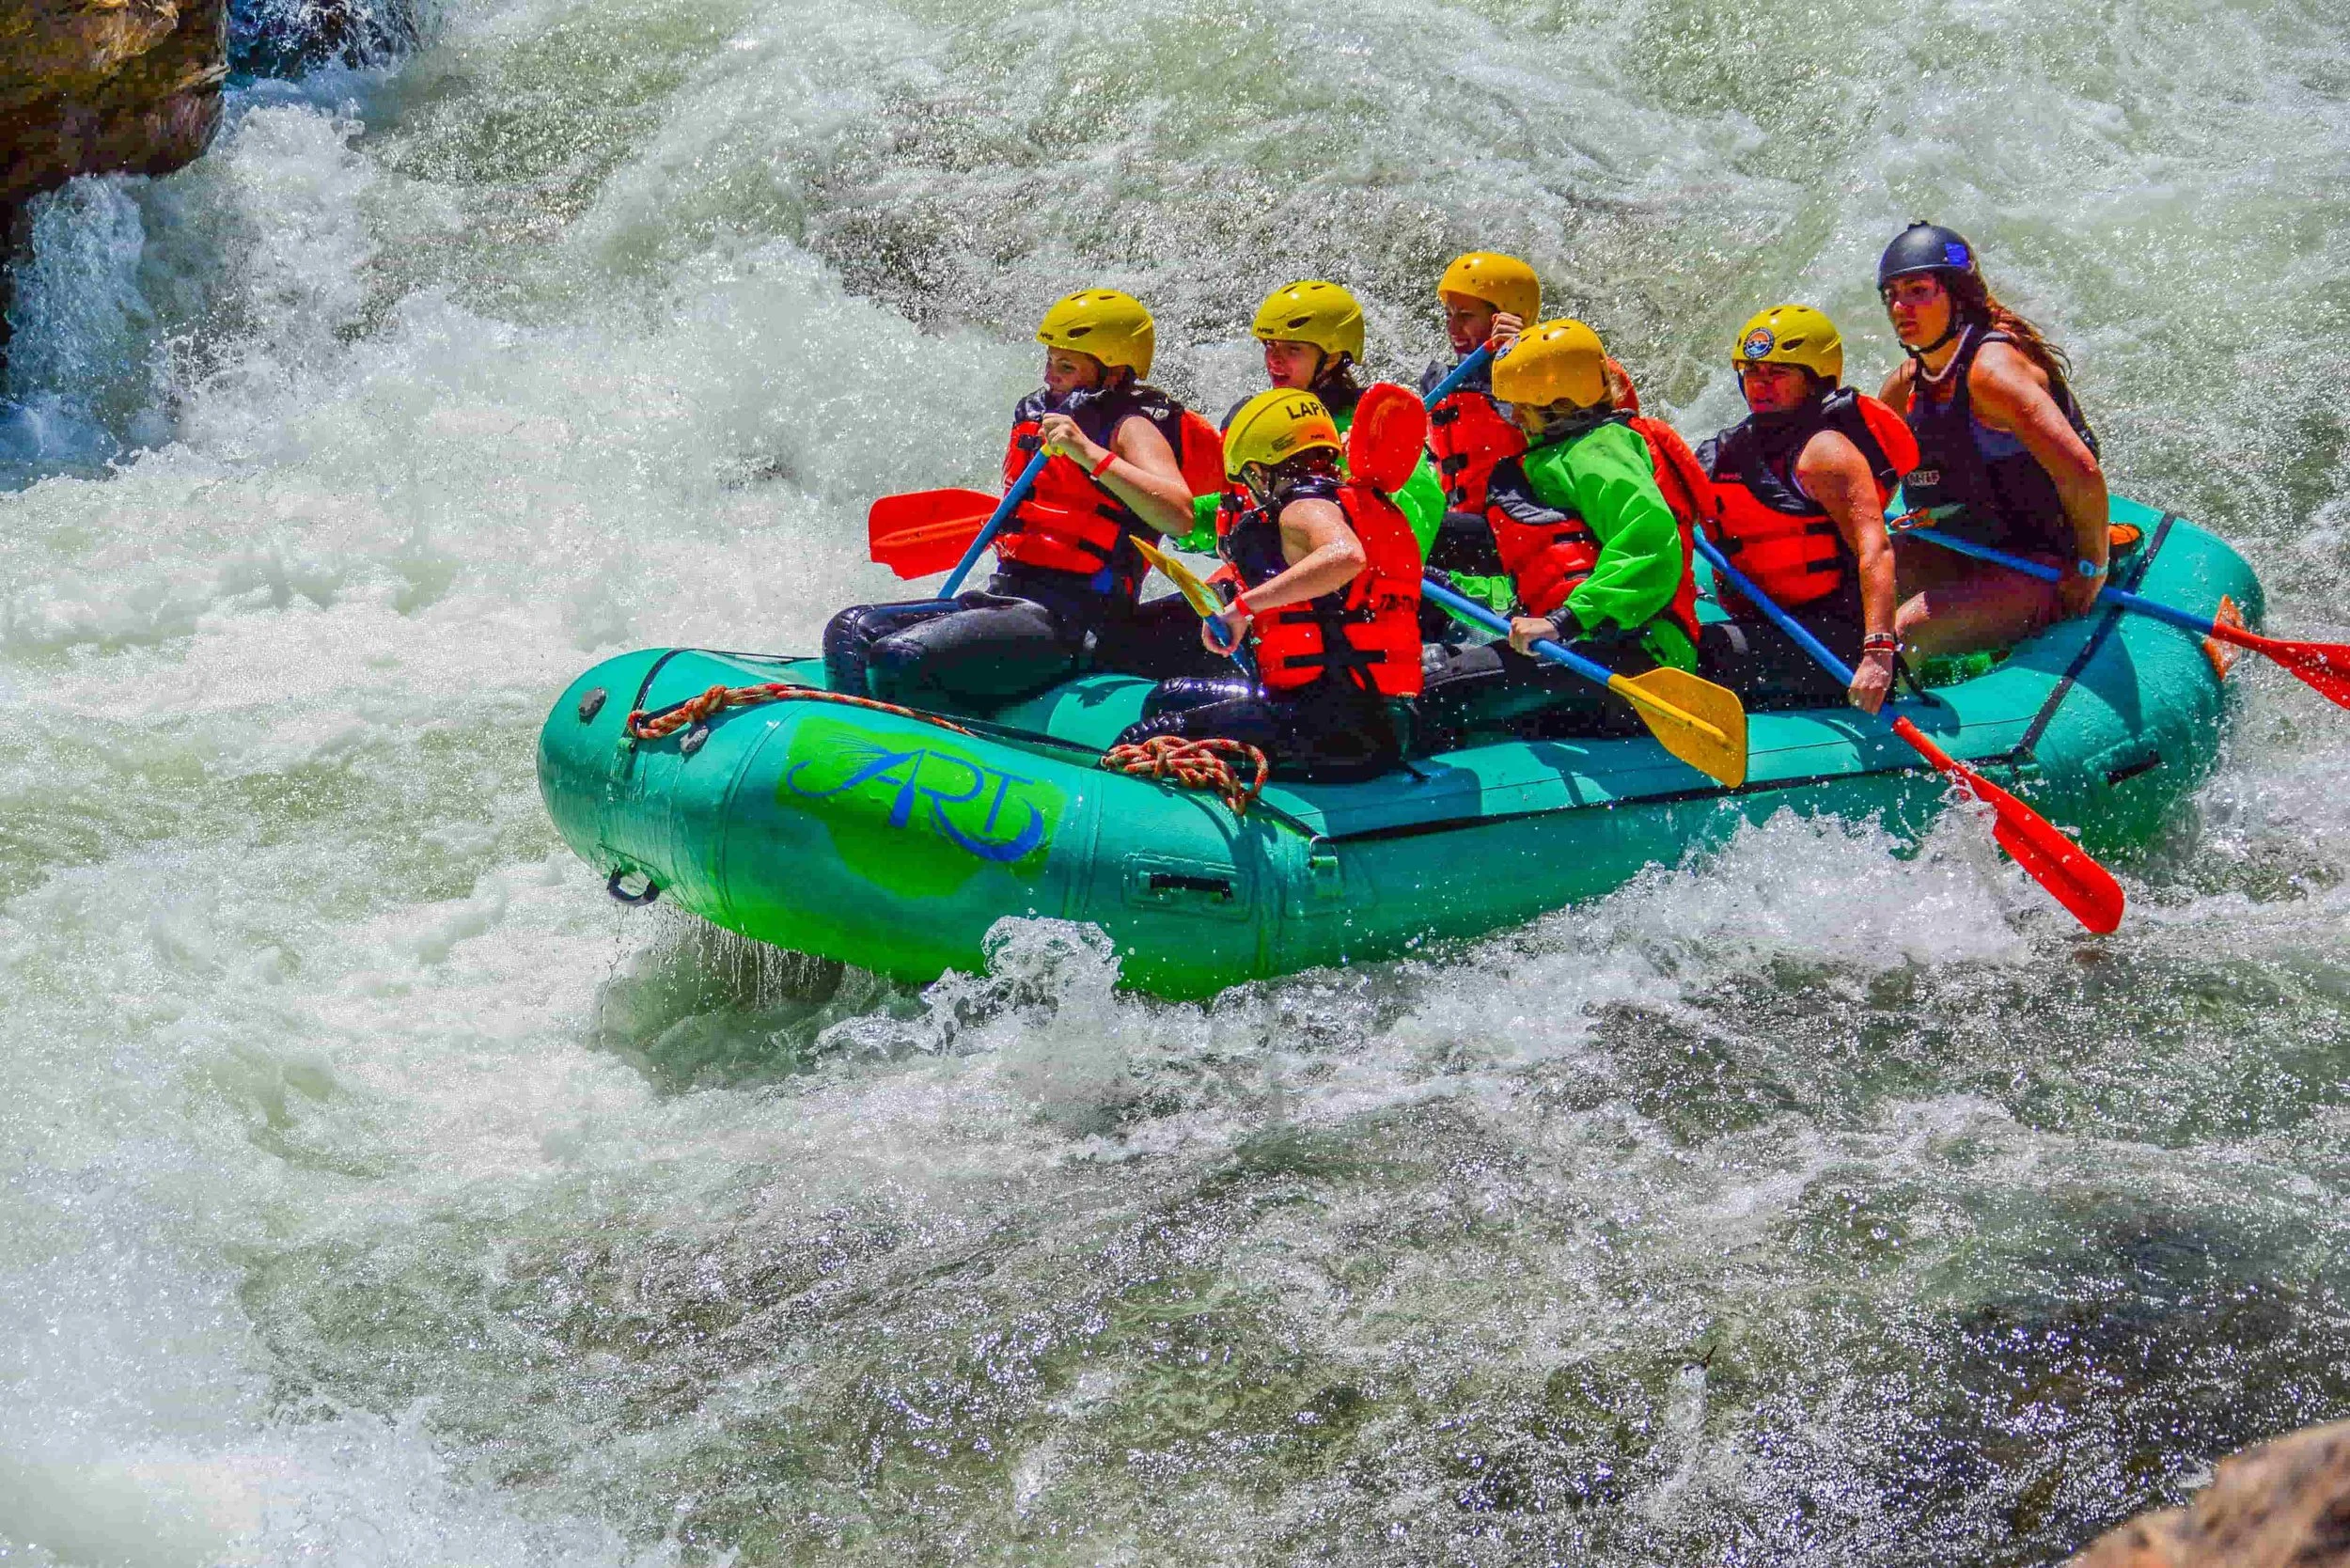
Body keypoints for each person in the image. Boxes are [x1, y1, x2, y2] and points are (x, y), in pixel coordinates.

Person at [824, 290, 1215, 708]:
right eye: (1050, 361)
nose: (1051, 377)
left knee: (901, 658)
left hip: (1075, 618)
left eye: (1067, 366)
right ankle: (859, 735)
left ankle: (915, 747)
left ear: (1114, 373)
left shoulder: (1132, 426)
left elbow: (1179, 515)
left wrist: (1089, 454)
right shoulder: (1038, 418)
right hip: (1009, 596)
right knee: (849, 629)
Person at [1112, 387, 1424, 782]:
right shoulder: (1366, 503)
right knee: (1169, 696)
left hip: (1333, 727)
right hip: (1376, 715)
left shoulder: (1303, 508)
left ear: (1265, 467)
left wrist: (1244, 609)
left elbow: (1346, 556)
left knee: (1142, 737)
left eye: (1251, 476)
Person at [1416, 319, 1700, 747]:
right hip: (1584, 642)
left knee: (1430, 694)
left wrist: (1562, 622)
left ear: (1560, 402)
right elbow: (1530, 545)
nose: (1513, 415)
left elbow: (1651, 541)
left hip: (1632, 652)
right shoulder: (1561, 452)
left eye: (1522, 404)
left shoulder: (1597, 451)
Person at [1876, 222, 2109, 656]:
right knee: (1851, 582)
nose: (1900, 307)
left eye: (1917, 290)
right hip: (1962, 546)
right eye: (1891, 294)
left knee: (1904, 631)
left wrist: (2091, 567)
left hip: (2039, 564)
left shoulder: (1994, 376)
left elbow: (2082, 472)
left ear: (1957, 294)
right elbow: (1871, 481)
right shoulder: (1904, 387)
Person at [1697, 305, 1919, 713]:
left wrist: (1877, 654)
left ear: (1816, 379)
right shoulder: (1728, 450)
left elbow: (1876, 549)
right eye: (1752, 372)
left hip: (1830, 644)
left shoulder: (1826, 453)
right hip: (1767, 626)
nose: (1760, 385)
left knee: (1699, 656)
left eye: (1778, 373)